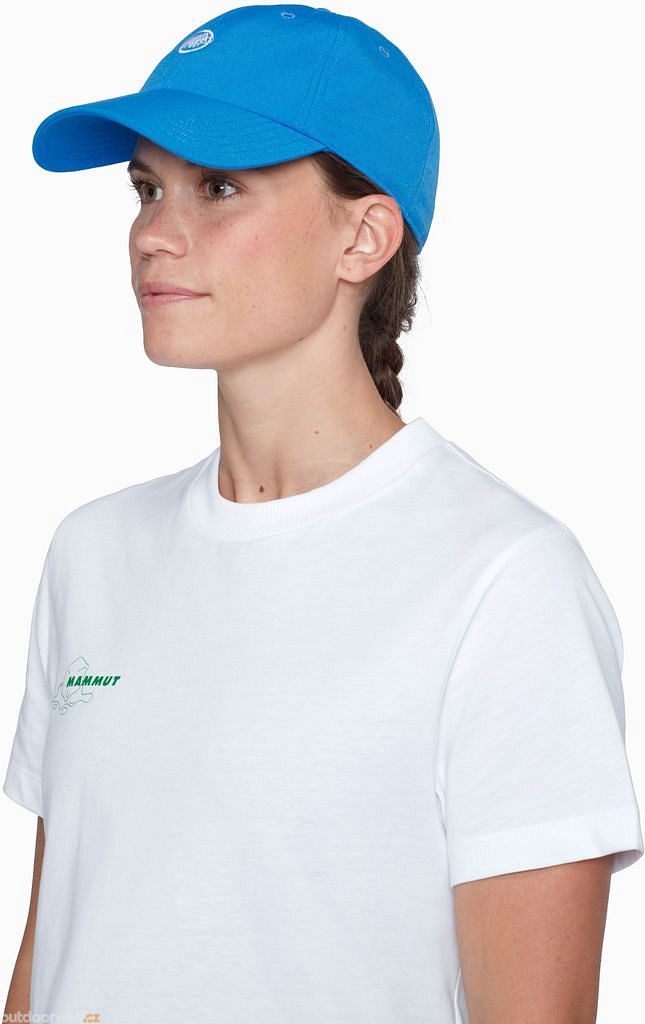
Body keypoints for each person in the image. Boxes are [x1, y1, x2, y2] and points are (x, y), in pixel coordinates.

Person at [3, 5, 643, 1023]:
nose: (153, 234)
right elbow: (53, 963)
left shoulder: (503, 581)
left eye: (219, 187)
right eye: (147, 187)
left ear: (364, 236)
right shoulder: (94, 552)